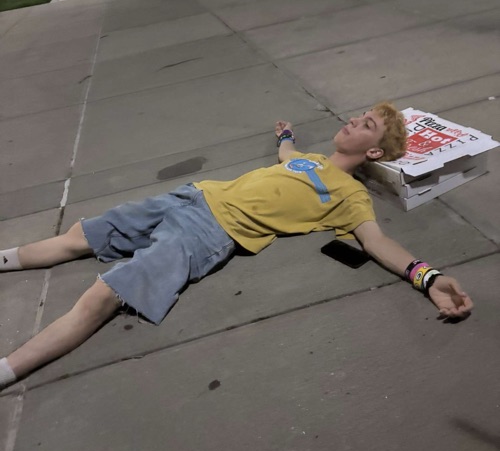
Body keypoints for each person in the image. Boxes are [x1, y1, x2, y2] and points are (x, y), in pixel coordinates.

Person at [0, 102, 473, 390]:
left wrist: (428, 278)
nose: (353, 119)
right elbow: (286, 154)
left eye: (366, 123)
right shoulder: (308, 159)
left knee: (104, 294)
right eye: (360, 114)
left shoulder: (349, 195)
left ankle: (9, 369)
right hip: (190, 195)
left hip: (208, 231)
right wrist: (285, 135)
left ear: (373, 151)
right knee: (79, 237)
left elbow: (377, 241)